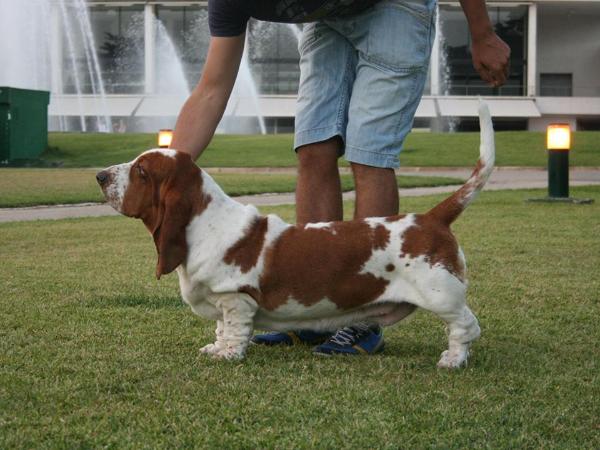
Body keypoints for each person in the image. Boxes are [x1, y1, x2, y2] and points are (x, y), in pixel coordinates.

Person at [170, 0, 510, 355]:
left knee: (368, 153)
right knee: (314, 146)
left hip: (394, 6)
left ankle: (364, 319)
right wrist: (165, 173)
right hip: (327, 17)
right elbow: (211, 89)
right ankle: (314, 312)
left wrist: (482, 32)